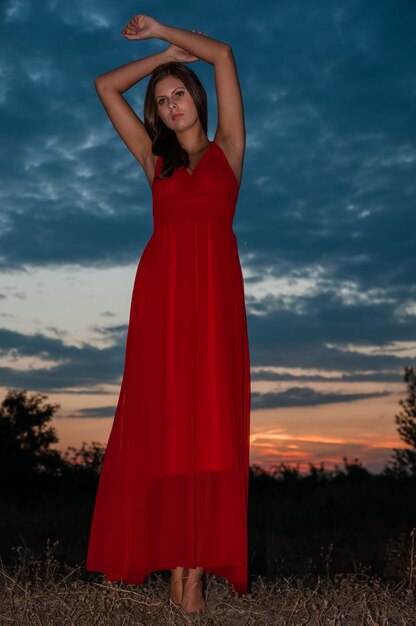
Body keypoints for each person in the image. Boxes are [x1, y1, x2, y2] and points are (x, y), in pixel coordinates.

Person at [85, 14, 251, 615]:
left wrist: (162, 33)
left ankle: (194, 575)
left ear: (197, 99)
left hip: (213, 306)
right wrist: (160, 62)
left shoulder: (228, 150)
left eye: (180, 92)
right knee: (168, 429)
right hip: (161, 303)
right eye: (162, 100)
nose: (172, 104)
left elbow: (225, 52)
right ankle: (177, 571)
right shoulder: (154, 161)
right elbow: (106, 86)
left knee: (208, 432)